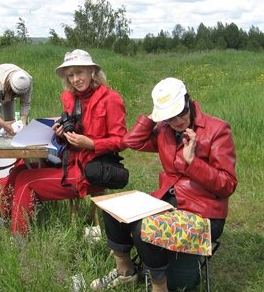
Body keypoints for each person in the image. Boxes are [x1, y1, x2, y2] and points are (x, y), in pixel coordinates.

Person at [91, 77, 237, 291]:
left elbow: (228, 185)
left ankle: (160, 287)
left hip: (203, 213)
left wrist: (192, 162)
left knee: (144, 229)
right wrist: (153, 118)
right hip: (168, 202)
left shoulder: (217, 130)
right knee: (112, 211)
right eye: (170, 116)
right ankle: (126, 273)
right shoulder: (165, 130)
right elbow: (133, 142)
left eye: (180, 113)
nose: (177, 121)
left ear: (188, 101)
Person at [1, 49, 127, 235]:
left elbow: (122, 141)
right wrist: (60, 133)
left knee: (27, 181)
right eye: (70, 75)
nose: (75, 79)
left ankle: (18, 240)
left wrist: (91, 144)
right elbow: (72, 132)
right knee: (19, 171)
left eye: (79, 73)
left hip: (91, 171)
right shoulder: (71, 99)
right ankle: (3, 220)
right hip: (69, 162)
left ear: (92, 71)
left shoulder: (111, 99)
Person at [0, 64, 32, 136]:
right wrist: (4, 125)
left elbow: (25, 104)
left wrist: (23, 123)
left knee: (10, 119)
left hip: (8, 86)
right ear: (10, 86)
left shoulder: (27, 81)